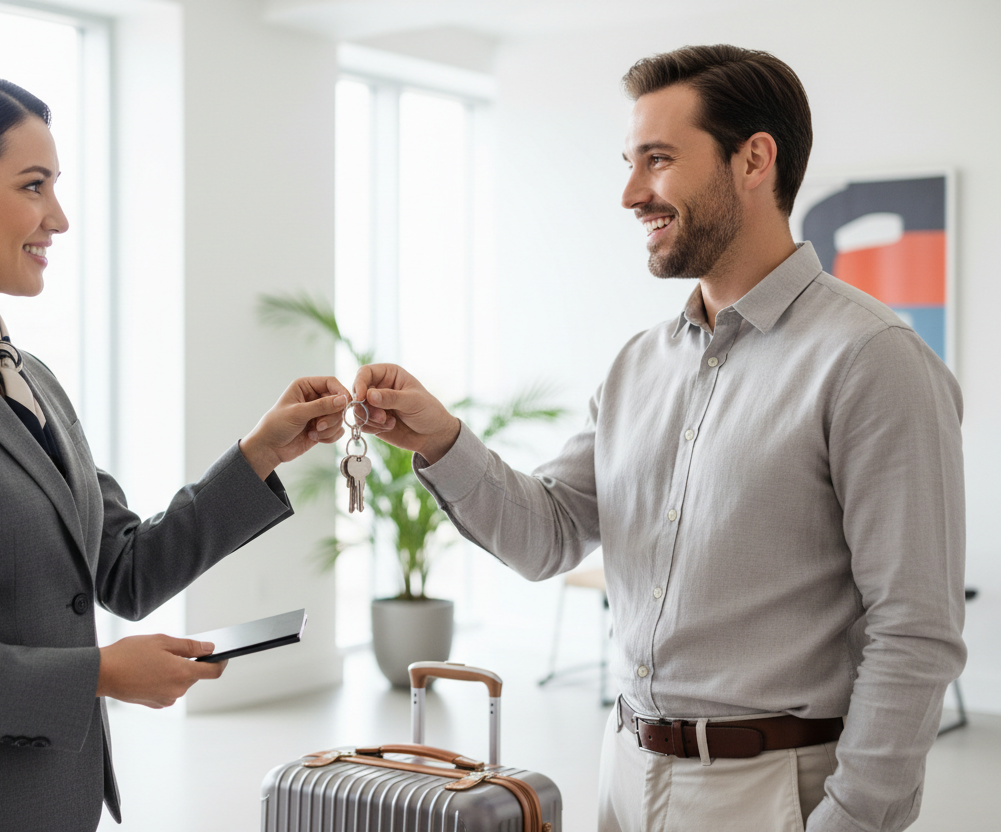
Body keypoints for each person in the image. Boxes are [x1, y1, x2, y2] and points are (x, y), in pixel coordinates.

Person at [347, 45, 965, 832]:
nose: (632, 193)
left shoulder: (872, 360)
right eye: (630, 163)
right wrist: (439, 439)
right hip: (625, 774)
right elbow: (549, 536)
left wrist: (852, 821)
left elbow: (915, 629)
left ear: (755, 159)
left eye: (658, 160)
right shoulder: (637, 365)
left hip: (776, 792)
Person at [0, 67, 349, 832]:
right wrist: (98, 674)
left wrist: (259, 454)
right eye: (32, 186)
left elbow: (124, 570)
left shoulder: (31, 377)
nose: (59, 218)